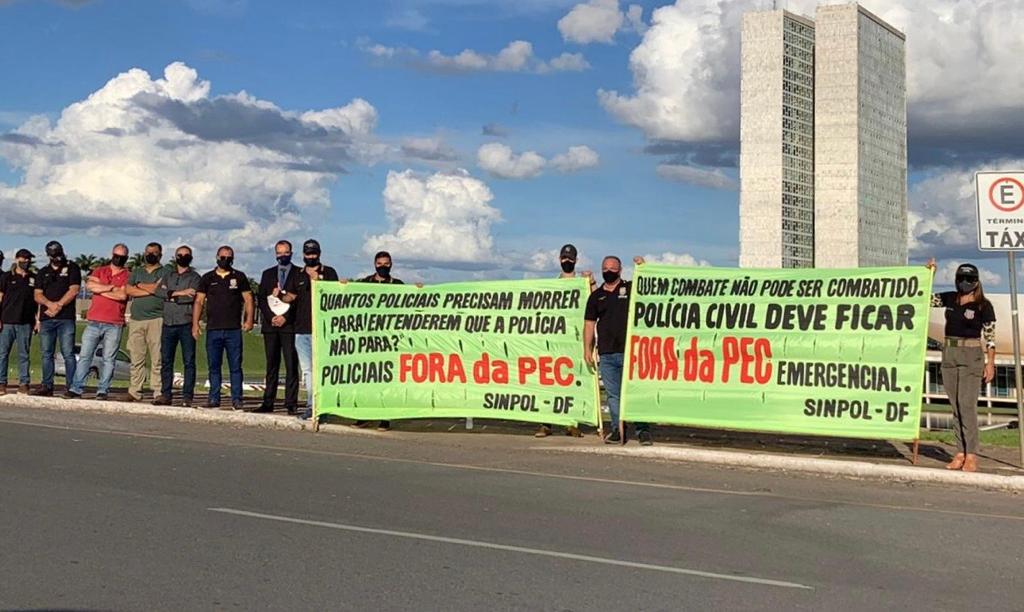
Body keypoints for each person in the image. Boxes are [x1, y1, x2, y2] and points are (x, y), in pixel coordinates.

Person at [927, 259, 995, 473]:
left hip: (971, 354)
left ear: (976, 281)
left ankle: (972, 454)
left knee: (967, 405)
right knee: (955, 406)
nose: (964, 282)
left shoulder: (984, 305)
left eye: (969, 279)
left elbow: (990, 336)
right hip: (950, 353)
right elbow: (925, 299)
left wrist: (990, 362)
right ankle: (959, 452)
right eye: (961, 278)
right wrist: (931, 274)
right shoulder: (950, 298)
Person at [584, 255, 652, 446]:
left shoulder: (629, 289)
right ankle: (617, 430)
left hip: (630, 352)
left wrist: (643, 267)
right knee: (613, 395)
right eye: (605, 268)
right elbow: (589, 324)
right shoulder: (596, 296)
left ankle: (643, 430)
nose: (609, 272)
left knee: (634, 393)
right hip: (606, 353)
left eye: (613, 268)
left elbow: (647, 288)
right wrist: (587, 349)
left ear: (620, 270)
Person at [536, 243, 595, 438]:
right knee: (549, 383)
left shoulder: (582, 283)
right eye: (564, 258)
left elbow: (595, 303)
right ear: (559, 259)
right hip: (554, 342)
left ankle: (571, 423)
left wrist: (592, 283)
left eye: (570, 258)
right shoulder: (552, 285)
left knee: (573, 382)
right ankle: (546, 424)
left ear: (576, 260)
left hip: (575, 342)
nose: (567, 261)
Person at [66, 243, 131, 400]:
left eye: (122, 257)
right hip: (94, 321)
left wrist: (101, 289)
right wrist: (111, 288)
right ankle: (76, 388)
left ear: (126, 258)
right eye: (116, 255)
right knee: (85, 356)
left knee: (109, 359)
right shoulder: (100, 270)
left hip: (114, 323)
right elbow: (90, 286)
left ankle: (103, 390)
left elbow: (123, 296)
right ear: (112, 254)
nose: (118, 259)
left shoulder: (128, 275)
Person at [284, 239, 339, 421]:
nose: (311, 257)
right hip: (302, 330)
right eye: (308, 254)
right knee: (307, 370)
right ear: (303, 255)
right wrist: (281, 296)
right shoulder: (297, 274)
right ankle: (311, 405)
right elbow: (290, 296)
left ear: (319, 253)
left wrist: (319, 282)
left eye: (314, 254)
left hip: (323, 331)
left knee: (324, 370)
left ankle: (325, 406)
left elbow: (336, 296)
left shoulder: (329, 272)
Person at [193, 246, 253, 410]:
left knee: (235, 366)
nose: (225, 260)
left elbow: (248, 299)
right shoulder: (207, 278)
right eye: (222, 257)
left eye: (229, 257)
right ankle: (214, 398)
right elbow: (199, 301)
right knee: (214, 366)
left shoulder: (239, 277)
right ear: (217, 257)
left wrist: (249, 320)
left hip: (233, 329)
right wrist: (195, 323)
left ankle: (237, 398)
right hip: (213, 329)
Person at [352, 251, 406, 431]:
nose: (383, 266)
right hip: (367, 339)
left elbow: (411, 302)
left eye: (386, 263)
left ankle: (384, 418)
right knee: (365, 378)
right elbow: (349, 297)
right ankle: (363, 415)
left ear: (391, 264)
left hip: (388, 341)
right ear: (374, 264)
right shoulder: (365, 283)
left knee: (385, 380)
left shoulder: (397, 285)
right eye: (380, 263)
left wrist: (419, 290)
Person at [253, 240, 302, 414]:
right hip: (271, 326)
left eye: (286, 252)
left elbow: (299, 300)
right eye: (279, 252)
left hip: (289, 326)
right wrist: (272, 317)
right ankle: (268, 402)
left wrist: (285, 318)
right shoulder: (267, 274)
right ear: (275, 254)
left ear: (291, 253)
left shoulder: (298, 273)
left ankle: (291, 403)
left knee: (291, 364)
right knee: (271, 365)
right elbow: (261, 299)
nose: (283, 255)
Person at [152, 245, 201, 407]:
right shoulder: (168, 275)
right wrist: (179, 293)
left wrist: (170, 295)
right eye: (180, 255)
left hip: (185, 323)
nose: (183, 257)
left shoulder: (194, 277)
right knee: (166, 360)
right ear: (175, 257)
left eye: (186, 255)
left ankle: (187, 396)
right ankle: (166, 394)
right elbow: (157, 292)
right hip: (168, 323)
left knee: (189, 361)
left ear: (191, 257)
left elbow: (192, 296)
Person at [32, 241, 82, 396]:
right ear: (48, 255)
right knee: (47, 353)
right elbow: (37, 294)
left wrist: (59, 305)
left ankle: (71, 386)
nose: (57, 257)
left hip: (65, 318)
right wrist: (49, 304)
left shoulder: (72, 268)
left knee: (68, 353)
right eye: (53, 255)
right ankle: (47, 385)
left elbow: (74, 290)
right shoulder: (43, 272)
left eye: (58, 253)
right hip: (47, 318)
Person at [125, 242, 167, 402]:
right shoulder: (137, 271)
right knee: (136, 358)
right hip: (136, 319)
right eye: (148, 252)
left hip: (157, 319)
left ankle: (158, 391)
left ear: (160, 255)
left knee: (157, 358)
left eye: (154, 253)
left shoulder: (166, 272)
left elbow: (161, 291)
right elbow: (128, 290)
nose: (150, 255)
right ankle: (135, 391)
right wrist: (150, 288)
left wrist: (140, 286)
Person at [0, 249, 38, 395]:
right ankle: (2, 383)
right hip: (7, 321)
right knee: (3, 353)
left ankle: (24, 383)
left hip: (25, 322)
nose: (26, 261)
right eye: (24, 258)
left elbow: (37, 301)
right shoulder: (6, 277)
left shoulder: (33, 278)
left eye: (28, 259)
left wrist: (37, 320)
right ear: (17, 259)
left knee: (24, 354)